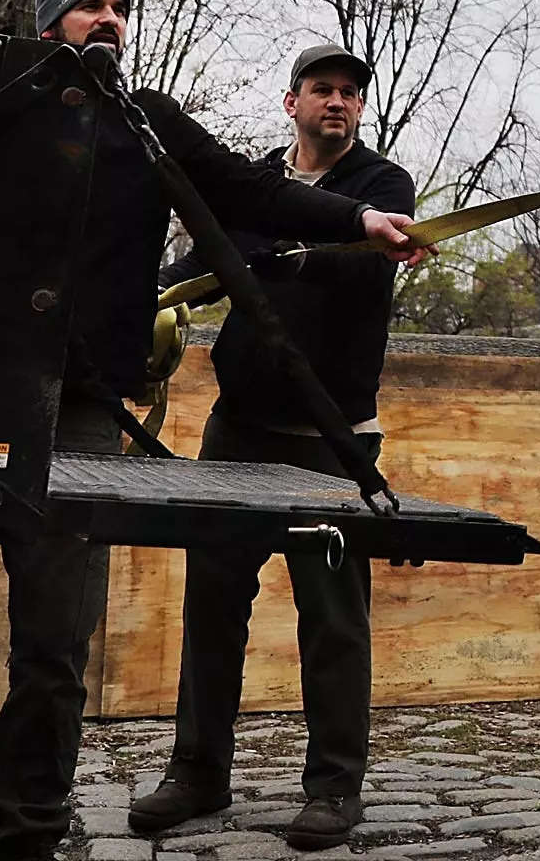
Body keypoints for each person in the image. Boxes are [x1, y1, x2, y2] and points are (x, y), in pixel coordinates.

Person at [0, 0, 424, 861]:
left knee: (54, 646)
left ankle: (26, 832)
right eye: (91, 6)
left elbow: (252, 193)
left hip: (83, 414)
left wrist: (360, 220)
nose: (110, 19)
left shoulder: (149, 124)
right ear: (50, 22)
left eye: (121, 9)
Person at [130, 45, 415, 850]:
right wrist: (157, 299)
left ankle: (333, 787)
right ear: (290, 102)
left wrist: (258, 256)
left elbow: (351, 272)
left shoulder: (381, 190)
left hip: (329, 436)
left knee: (333, 617)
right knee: (213, 602)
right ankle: (196, 771)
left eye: (350, 94)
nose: (338, 102)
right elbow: (202, 263)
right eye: (322, 89)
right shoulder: (251, 181)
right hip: (238, 427)